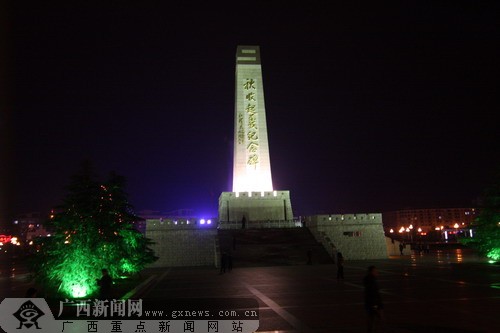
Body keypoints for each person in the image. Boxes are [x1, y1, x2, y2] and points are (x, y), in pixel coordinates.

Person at [363, 266, 383, 333]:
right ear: (371, 272)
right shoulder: (371, 281)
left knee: (372, 319)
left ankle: (371, 330)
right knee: (376, 319)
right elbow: (372, 293)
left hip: (371, 303)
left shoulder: (370, 280)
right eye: (375, 271)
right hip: (374, 304)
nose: (377, 272)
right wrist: (375, 305)